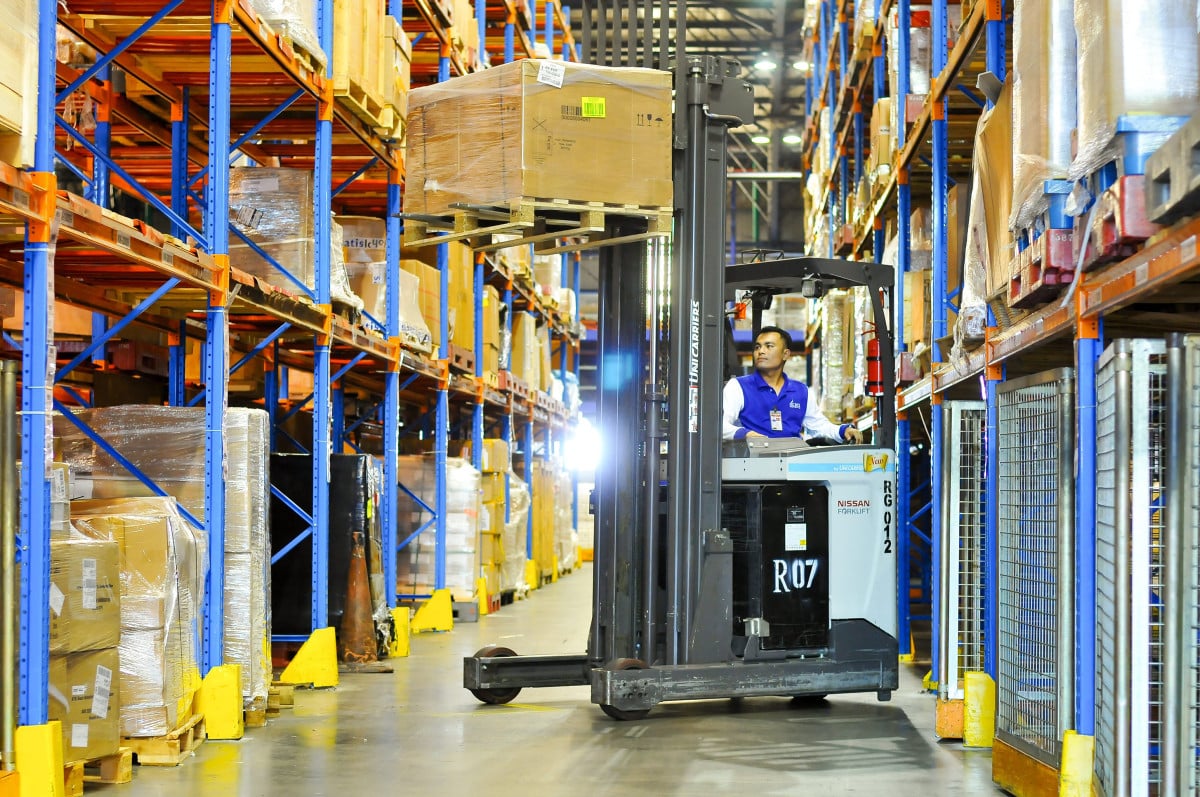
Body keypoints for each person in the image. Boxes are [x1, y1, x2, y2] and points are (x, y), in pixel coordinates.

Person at [722, 325, 862, 444]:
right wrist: (747, 434)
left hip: (793, 461)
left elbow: (819, 425)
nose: (761, 351)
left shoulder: (801, 391)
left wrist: (844, 430)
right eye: (757, 347)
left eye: (769, 346)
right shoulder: (738, 386)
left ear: (785, 354)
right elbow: (720, 426)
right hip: (753, 461)